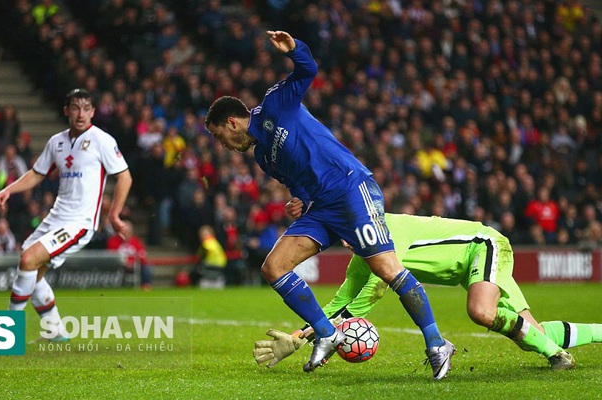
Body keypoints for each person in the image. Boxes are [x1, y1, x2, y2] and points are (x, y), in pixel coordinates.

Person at [205, 30, 454, 379]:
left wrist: (293, 49)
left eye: (220, 136)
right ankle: (326, 332)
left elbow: (306, 71)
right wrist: (300, 201)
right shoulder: (263, 156)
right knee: (273, 267)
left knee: (386, 269)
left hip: (351, 188)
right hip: (321, 207)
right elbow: (298, 183)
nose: (224, 145)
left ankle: (436, 343)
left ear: (232, 122)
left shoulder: (275, 104)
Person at [252, 214, 596, 372]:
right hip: (465, 267)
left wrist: (308, 338)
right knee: (530, 334)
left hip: (482, 246)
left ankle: (559, 358)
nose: (341, 238)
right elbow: (340, 306)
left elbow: (364, 301)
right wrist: (298, 336)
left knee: (481, 312)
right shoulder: (362, 256)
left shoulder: (384, 238)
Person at [0, 88, 132, 341]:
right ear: (66, 111)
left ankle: (6, 336)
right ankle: (55, 330)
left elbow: (124, 176)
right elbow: (37, 173)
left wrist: (114, 215)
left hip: (79, 223)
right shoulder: (56, 142)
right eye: (75, 108)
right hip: (56, 218)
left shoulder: (102, 140)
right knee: (31, 271)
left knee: (28, 260)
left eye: (86, 108)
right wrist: (9, 189)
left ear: (92, 111)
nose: (81, 114)